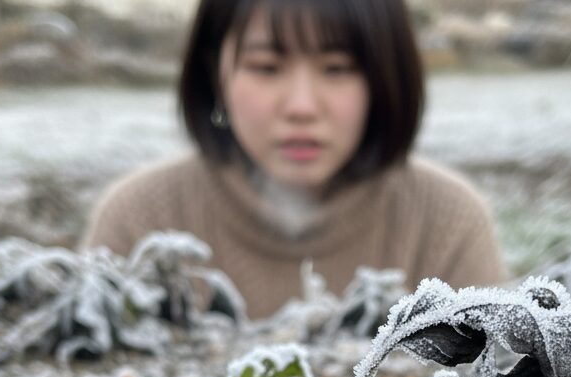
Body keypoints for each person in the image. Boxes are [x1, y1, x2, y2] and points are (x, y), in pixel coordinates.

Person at [82, 0, 506, 320]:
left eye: (337, 68)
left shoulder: (446, 224)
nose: (302, 106)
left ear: (384, 76)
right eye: (266, 67)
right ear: (215, 71)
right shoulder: (140, 221)